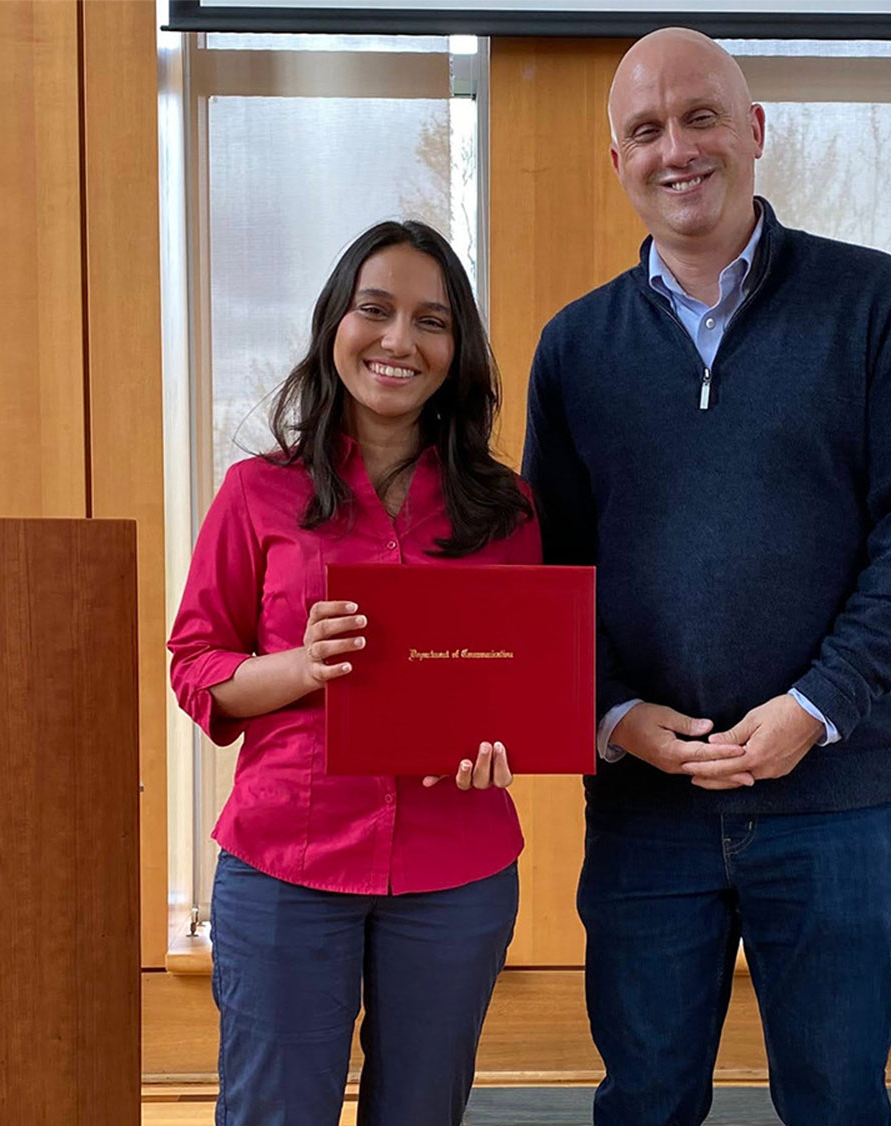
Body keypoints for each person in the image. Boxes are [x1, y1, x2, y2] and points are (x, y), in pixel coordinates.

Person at [520, 28, 891, 1126]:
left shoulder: (876, 306)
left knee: (833, 1100)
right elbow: (549, 568)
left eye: (700, 116)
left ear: (754, 129)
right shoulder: (573, 349)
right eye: (644, 130)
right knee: (644, 1100)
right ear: (616, 161)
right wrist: (614, 714)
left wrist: (815, 707)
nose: (675, 147)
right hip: (645, 806)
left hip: (832, 800)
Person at [168, 220, 539, 1126]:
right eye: (375, 310)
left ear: (458, 352)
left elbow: (522, 684)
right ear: (336, 323)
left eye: (432, 321)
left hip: (456, 868)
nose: (399, 341)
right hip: (286, 860)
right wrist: (300, 666)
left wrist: (508, 743)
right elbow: (196, 668)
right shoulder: (257, 492)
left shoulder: (507, 508)